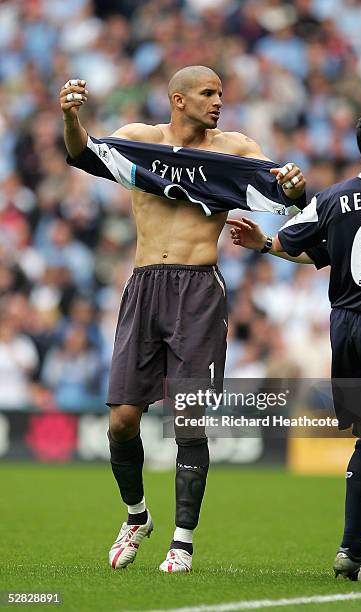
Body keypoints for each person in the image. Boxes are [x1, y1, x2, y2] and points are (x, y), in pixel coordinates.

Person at [60, 65, 306, 572]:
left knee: (188, 419)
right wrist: (70, 115)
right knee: (123, 420)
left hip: (199, 288)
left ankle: (183, 540)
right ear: (178, 99)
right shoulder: (137, 141)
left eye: (221, 92)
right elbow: (82, 151)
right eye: (207, 93)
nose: (218, 101)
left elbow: (284, 193)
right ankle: (137, 515)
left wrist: (296, 186)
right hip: (144, 283)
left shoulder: (234, 149)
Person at [227, 108, 361, 582]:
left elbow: (294, 242)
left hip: (344, 326)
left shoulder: (334, 196)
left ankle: (351, 548)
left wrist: (262, 245)